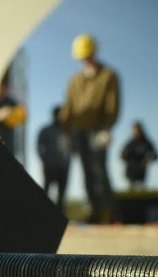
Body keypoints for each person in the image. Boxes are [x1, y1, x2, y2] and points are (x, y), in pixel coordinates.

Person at [60, 33, 120, 224]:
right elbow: (68, 107)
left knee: (99, 169)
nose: (86, 60)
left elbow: (112, 105)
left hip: (97, 130)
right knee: (86, 171)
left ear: (94, 53)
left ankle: (109, 212)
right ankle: (94, 211)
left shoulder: (109, 75)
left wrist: (106, 129)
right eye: (83, 57)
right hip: (78, 131)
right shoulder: (74, 80)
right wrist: (64, 132)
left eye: (88, 56)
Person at [37, 106, 71, 207]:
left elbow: (74, 147)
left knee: (62, 195)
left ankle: (59, 213)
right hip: (50, 166)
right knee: (46, 191)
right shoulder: (45, 130)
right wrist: (44, 159)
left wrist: (68, 161)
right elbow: (39, 146)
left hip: (64, 167)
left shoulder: (68, 131)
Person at [0, 73, 27, 156]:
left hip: (7, 144)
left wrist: (14, 115)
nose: (1, 90)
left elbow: (24, 117)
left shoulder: (10, 101)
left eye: (4, 88)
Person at [119, 121, 158, 191]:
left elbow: (155, 155)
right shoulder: (130, 143)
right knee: (129, 191)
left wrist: (147, 160)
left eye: (137, 130)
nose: (136, 132)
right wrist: (125, 155)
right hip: (130, 172)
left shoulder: (146, 143)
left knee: (141, 191)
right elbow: (122, 156)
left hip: (141, 173)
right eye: (134, 130)